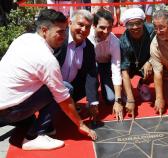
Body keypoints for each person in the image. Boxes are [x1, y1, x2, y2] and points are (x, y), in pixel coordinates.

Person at [0, 9, 96, 151]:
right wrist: (81, 125)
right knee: (66, 88)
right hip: (10, 111)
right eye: (60, 32)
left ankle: (24, 120)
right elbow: (62, 98)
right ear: (44, 30)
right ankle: (34, 137)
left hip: (5, 104)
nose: (64, 36)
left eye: (65, 31)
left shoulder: (24, 38)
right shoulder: (46, 59)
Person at [54, 10, 99, 120]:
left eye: (87, 27)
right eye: (80, 24)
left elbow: (91, 74)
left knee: (93, 79)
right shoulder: (58, 39)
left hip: (71, 86)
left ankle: (70, 102)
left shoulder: (89, 47)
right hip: (51, 84)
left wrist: (92, 101)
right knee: (66, 87)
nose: (83, 30)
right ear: (70, 23)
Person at [119, 8, 155, 118]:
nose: (135, 27)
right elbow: (124, 71)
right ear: (126, 26)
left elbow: (161, 51)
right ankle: (126, 90)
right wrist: (130, 100)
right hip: (129, 67)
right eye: (131, 25)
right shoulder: (123, 41)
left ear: (143, 22)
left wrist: (150, 61)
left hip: (147, 63)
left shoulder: (153, 31)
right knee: (117, 72)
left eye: (138, 23)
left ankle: (142, 84)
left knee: (158, 66)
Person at [87, 10, 123, 121]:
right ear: (94, 25)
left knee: (111, 99)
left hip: (107, 66)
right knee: (94, 70)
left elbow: (116, 69)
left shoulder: (115, 42)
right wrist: (93, 101)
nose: (106, 31)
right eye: (102, 27)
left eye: (109, 28)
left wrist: (118, 100)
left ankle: (105, 84)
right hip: (91, 67)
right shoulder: (87, 38)